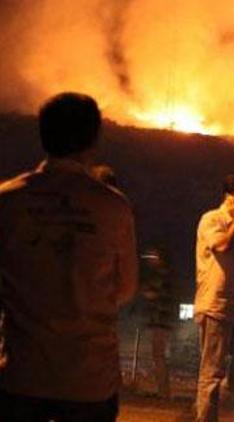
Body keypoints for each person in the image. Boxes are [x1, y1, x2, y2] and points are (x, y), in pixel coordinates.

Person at [0, 92, 138, 421]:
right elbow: (125, 288)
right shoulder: (112, 206)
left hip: (22, 375)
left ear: (43, 134)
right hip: (88, 380)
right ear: (93, 141)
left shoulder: (8, 200)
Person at [194, 175, 234, 422]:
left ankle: (205, 415)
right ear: (228, 196)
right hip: (215, 304)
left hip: (232, 307)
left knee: (222, 373)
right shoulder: (213, 219)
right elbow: (220, 246)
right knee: (212, 372)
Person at [139, 246, 176, 399]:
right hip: (161, 322)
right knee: (158, 356)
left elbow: (152, 293)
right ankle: (162, 390)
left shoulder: (161, 276)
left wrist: (145, 290)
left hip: (160, 323)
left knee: (158, 356)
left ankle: (163, 392)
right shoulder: (165, 275)